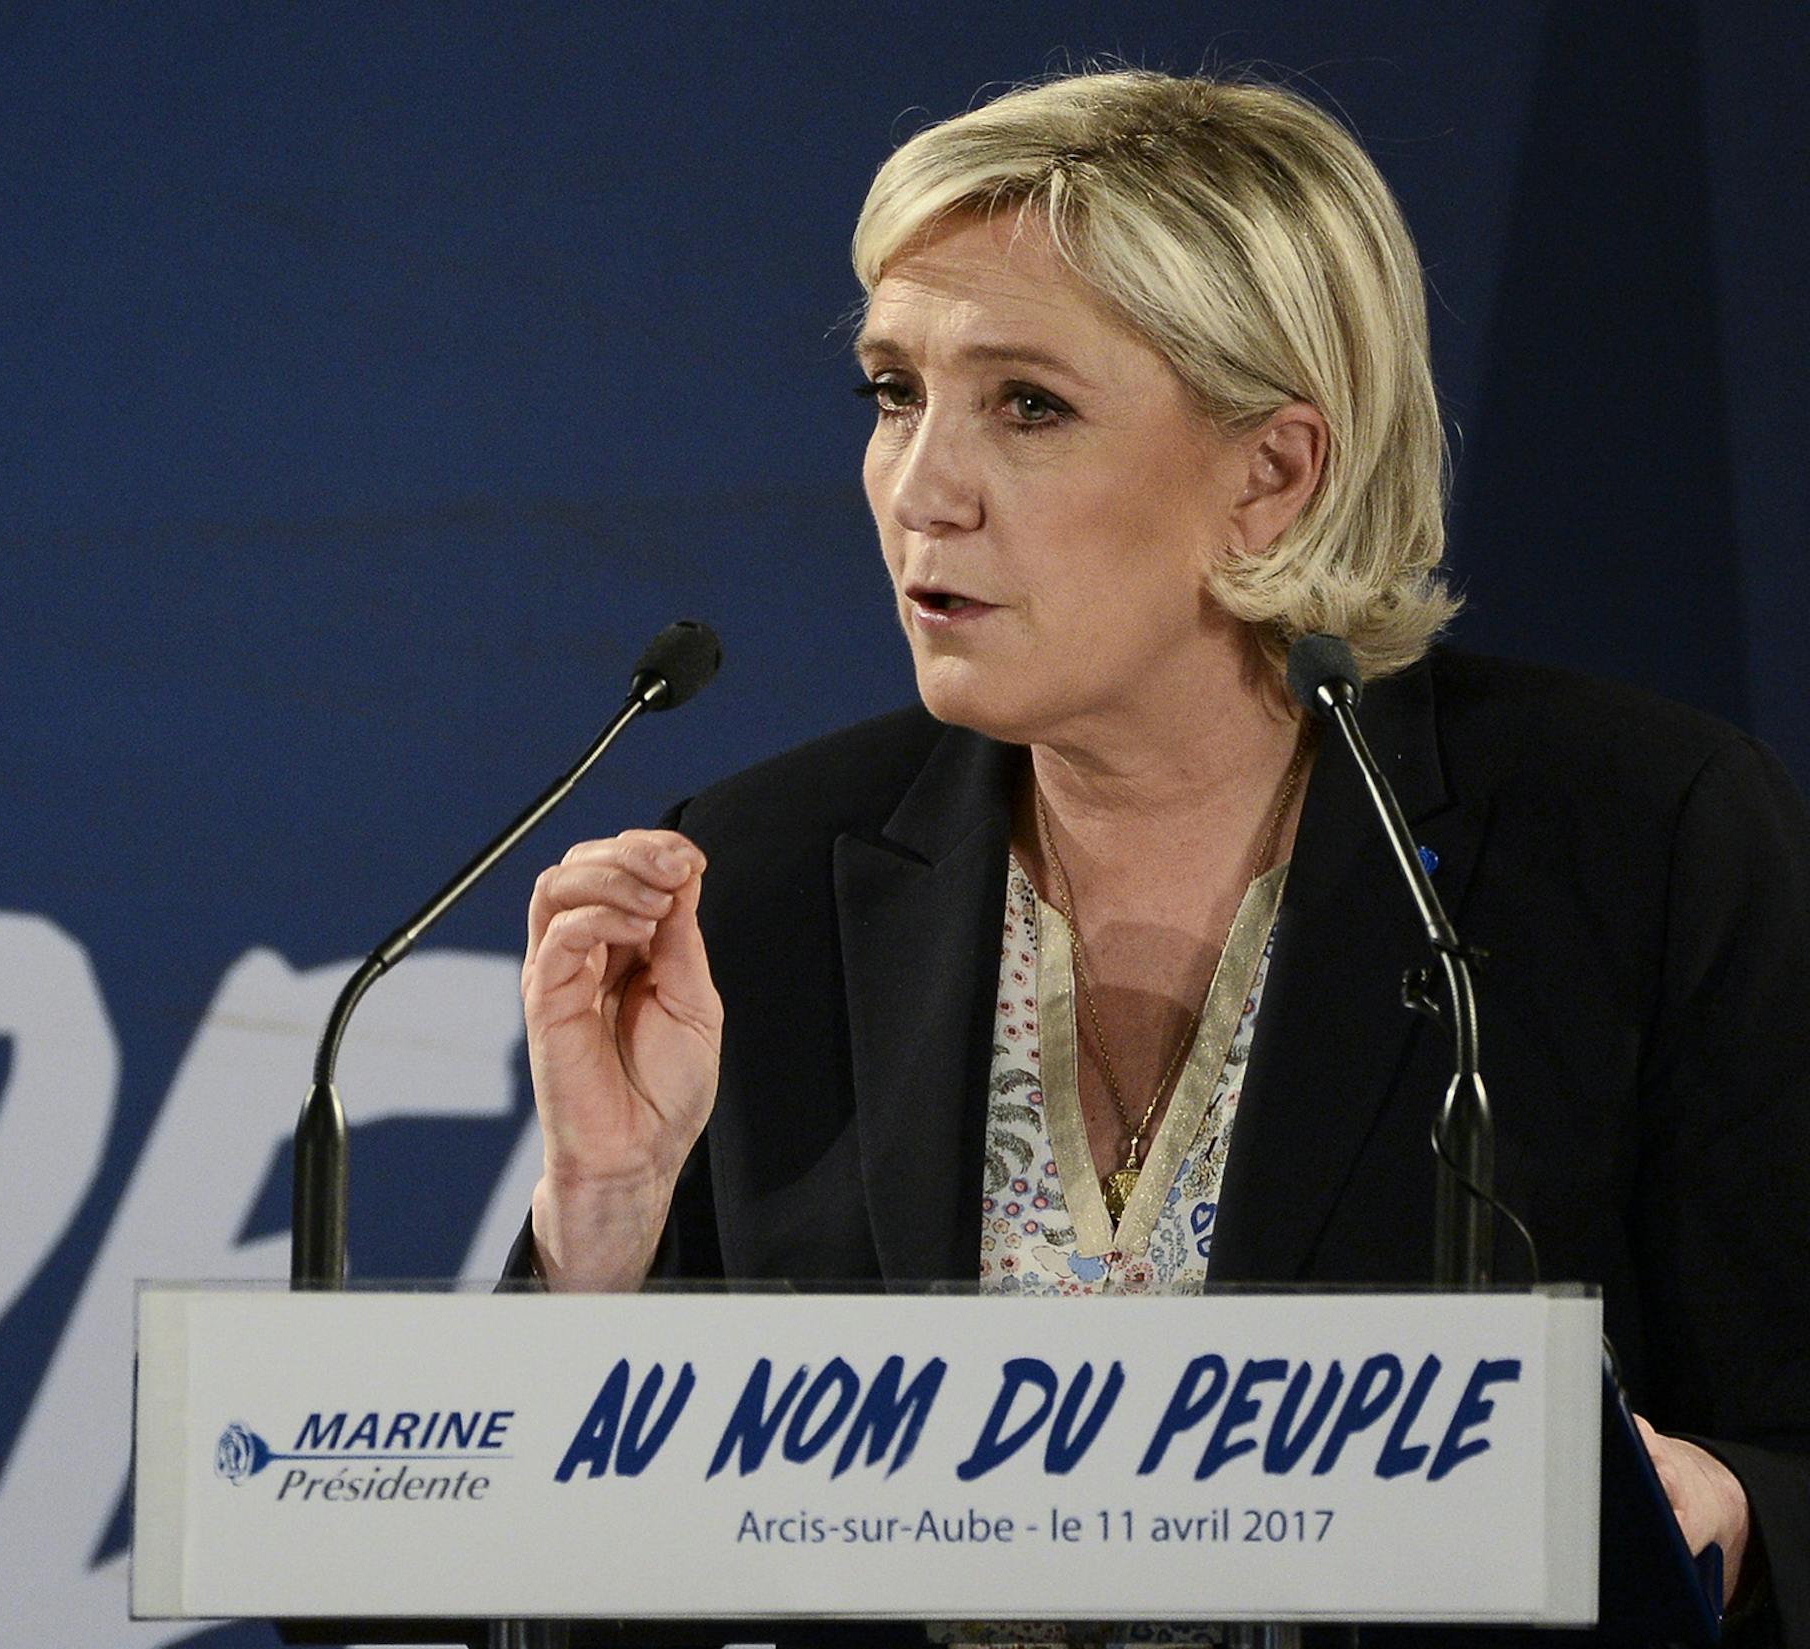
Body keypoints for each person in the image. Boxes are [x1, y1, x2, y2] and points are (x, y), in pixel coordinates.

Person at [511, 70, 1807, 1639]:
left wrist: (1730, 1508)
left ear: (1275, 473)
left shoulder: (1639, 844)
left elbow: (1787, 1446)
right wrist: (602, 1231)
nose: (920, 489)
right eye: (893, 392)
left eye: (1028, 406)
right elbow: (547, 1601)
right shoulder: (759, 881)